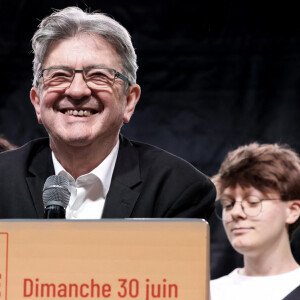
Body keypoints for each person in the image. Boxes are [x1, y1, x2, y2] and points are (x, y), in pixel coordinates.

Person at [0, 7, 215, 220]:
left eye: (98, 75)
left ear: (129, 101)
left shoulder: (177, 189)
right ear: (37, 101)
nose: (77, 90)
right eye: (59, 75)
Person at [210, 143, 300, 300]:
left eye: (253, 202)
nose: (236, 213)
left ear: (292, 211)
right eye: (228, 204)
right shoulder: (207, 292)